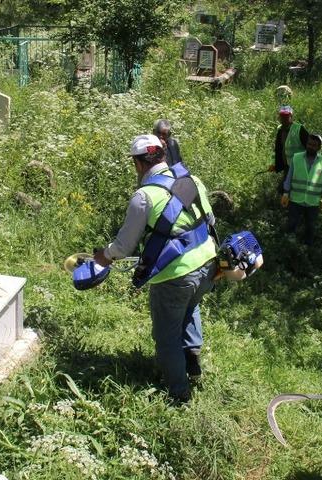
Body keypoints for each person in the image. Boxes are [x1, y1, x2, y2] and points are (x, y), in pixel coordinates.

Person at [93, 134, 218, 403]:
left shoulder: (144, 196)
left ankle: (178, 393)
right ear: (163, 156)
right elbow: (210, 219)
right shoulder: (192, 180)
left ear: (138, 164)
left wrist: (104, 255)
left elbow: (124, 246)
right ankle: (192, 359)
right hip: (208, 264)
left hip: (176, 275)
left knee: (166, 336)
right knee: (190, 307)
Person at [281, 134, 322, 245]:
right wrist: (285, 192)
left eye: (314, 145)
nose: (311, 147)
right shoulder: (297, 157)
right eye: (309, 144)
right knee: (292, 222)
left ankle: (308, 247)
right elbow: (289, 177)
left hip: (313, 202)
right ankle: (289, 244)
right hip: (295, 199)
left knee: (311, 226)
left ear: (319, 147)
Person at [271, 105, 309, 179]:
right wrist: (277, 165)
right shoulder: (280, 131)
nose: (284, 119)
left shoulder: (299, 129)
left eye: (286, 116)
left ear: (291, 116)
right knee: (285, 188)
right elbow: (279, 150)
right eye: (282, 116)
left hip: (300, 166)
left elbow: (310, 147)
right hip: (288, 166)